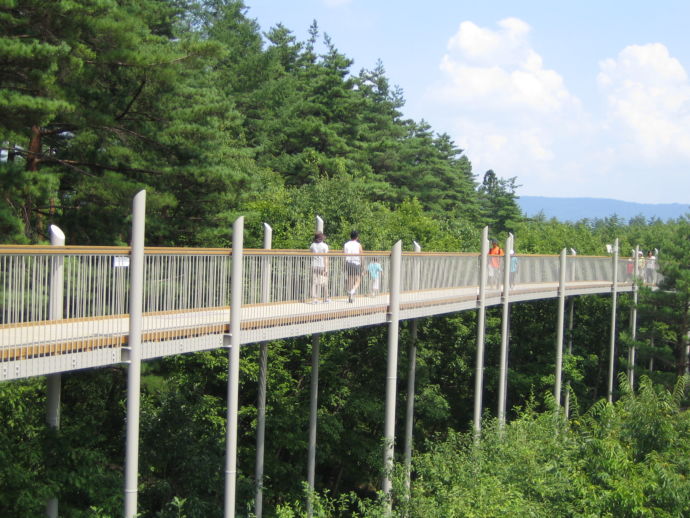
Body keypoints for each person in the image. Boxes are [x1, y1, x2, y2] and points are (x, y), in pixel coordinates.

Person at [309, 232, 330, 303]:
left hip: (314, 265)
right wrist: (326, 268)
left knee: (314, 282)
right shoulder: (325, 246)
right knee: (325, 282)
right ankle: (326, 298)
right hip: (322, 265)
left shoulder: (312, 245)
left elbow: (310, 252)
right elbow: (325, 257)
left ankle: (314, 299)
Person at [344, 230, 363, 303]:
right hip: (356, 263)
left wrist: (343, 265)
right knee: (358, 280)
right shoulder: (358, 245)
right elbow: (361, 255)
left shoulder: (346, 244)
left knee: (350, 280)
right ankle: (352, 291)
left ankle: (350, 294)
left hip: (348, 262)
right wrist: (362, 265)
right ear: (357, 237)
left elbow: (344, 255)